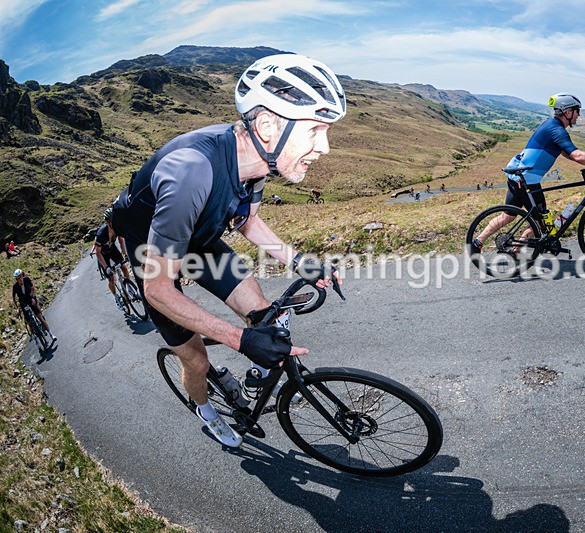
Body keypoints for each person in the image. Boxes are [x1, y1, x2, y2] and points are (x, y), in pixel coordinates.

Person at [112, 53, 346, 448]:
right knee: (197, 359)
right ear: (268, 126)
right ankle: (206, 411)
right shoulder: (191, 171)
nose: (324, 147)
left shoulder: (257, 164)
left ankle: (252, 365)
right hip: (150, 254)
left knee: (262, 312)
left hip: (197, 241)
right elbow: (157, 291)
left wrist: (299, 262)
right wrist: (239, 340)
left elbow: (246, 220)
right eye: (315, 131)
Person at [472, 93, 585, 249]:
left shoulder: (550, 125)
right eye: (577, 111)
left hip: (516, 174)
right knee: (540, 222)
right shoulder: (557, 130)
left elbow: (565, 152)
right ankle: (516, 253)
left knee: (508, 216)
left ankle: (477, 242)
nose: (579, 115)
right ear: (568, 112)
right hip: (527, 180)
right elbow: (577, 155)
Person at [94, 207, 132, 310]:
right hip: (103, 254)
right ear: (107, 222)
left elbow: (121, 240)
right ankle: (116, 297)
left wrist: (125, 253)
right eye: (111, 221)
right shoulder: (101, 233)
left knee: (123, 267)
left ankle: (129, 288)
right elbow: (97, 253)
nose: (114, 222)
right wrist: (106, 267)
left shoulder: (117, 226)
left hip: (112, 249)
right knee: (111, 278)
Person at [12, 269, 56, 342]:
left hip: (30, 298)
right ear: (16, 279)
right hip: (23, 303)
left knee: (40, 317)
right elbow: (13, 298)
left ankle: (51, 334)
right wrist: (16, 309)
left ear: (22, 276)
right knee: (29, 322)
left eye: (20, 277)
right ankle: (33, 336)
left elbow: (33, 288)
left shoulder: (26, 279)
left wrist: (33, 297)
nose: (20, 279)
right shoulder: (15, 286)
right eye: (18, 278)